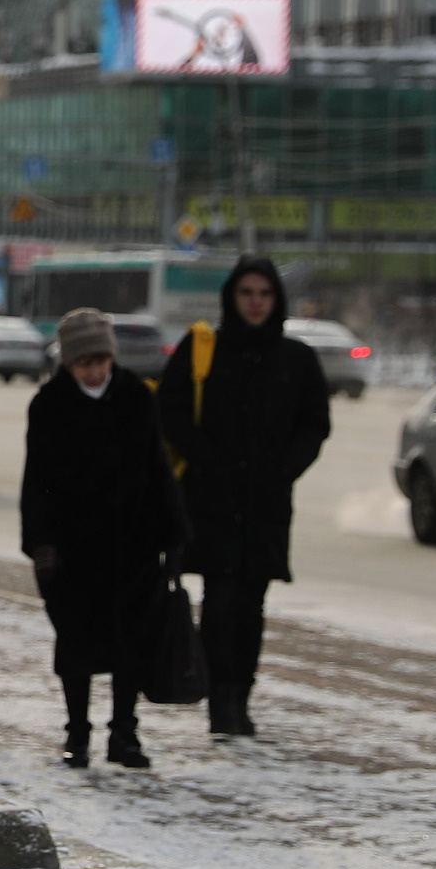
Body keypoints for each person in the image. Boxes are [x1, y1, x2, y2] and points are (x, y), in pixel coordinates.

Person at [155, 255, 330, 737]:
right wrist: (207, 459)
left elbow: (315, 424)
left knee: (251, 603)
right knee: (219, 598)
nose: (255, 303)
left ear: (277, 300)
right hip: (211, 501)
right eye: (246, 293)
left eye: (265, 294)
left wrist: (284, 469)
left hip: (265, 504)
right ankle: (219, 701)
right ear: (231, 297)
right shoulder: (202, 348)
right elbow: (169, 412)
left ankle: (239, 696)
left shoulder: (296, 359)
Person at [21, 308, 188, 769]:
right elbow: (37, 480)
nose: (95, 370)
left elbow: (157, 468)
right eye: (85, 362)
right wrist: (41, 543)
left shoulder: (136, 397)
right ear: (70, 362)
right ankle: (77, 733)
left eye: (101, 360)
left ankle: (124, 734)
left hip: (132, 544)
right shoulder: (50, 404)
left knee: (131, 640)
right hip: (73, 550)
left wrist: (174, 533)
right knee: (76, 642)